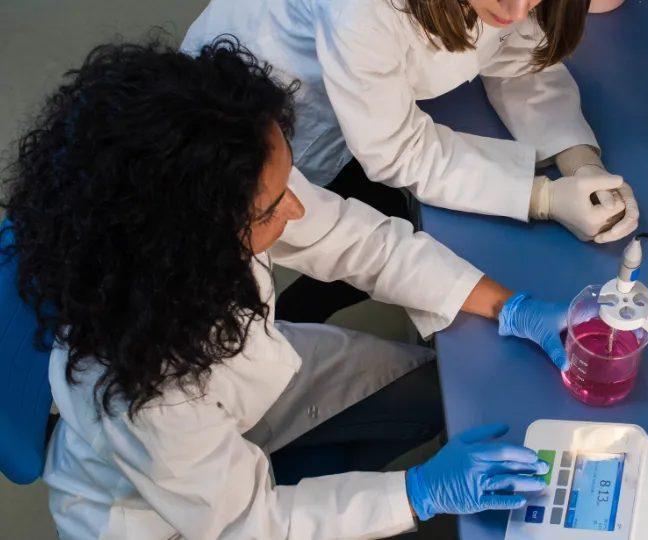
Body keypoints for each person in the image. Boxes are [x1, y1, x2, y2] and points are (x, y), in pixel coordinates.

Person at [1, 39, 570, 540]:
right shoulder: (149, 398)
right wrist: (418, 493)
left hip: (240, 381)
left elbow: (358, 241)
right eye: (273, 207)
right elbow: (251, 525)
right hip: (163, 516)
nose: (295, 208)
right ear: (194, 243)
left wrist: (508, 305)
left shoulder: (222, 184)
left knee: (431, 390)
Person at [181, 0, 640, 323]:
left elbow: (516, 52)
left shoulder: (509, 7)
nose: (518, 11)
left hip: (359, 103)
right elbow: (396, 149)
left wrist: (577, 157)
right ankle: (298, 321)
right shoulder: (363, 11)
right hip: (251, 121)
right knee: (297, 232)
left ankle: (302, 320)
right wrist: (541, 196)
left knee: (358, 234)